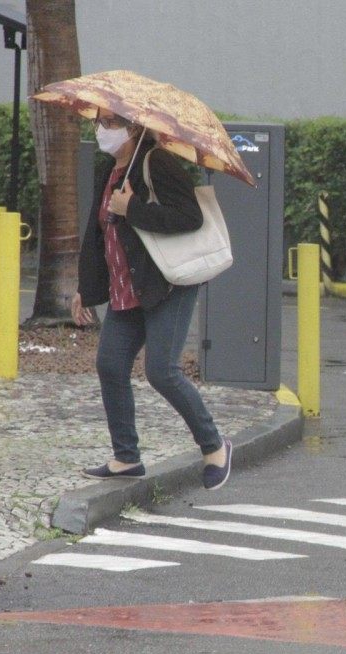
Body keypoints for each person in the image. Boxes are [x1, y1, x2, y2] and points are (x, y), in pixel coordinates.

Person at [70, 108, 231, 490]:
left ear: (134, 128)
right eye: (99, 121)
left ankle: (215, 447)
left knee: (161, 370)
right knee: (110, 364)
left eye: (109, 123)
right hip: (127, 288)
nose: (101, 129)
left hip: (166, 285)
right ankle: (126, 458)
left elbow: (189, 217)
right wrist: (86, 289)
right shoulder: (106, 169)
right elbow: (99, 235)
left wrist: (134, 209)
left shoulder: (158, 162)